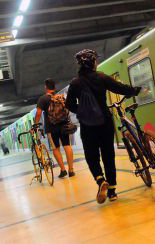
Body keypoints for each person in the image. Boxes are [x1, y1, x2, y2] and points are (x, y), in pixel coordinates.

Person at [66, 49, 141, 203]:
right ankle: (112, 192)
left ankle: (101, 181)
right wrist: (136, 90)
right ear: (93, 62)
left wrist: (82, 111)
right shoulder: (101, 77)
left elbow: (69, 105)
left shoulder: (75, 83)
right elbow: (120, 88)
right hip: (105, 121)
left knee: (91, 155)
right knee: (108, 155)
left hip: (87, 125)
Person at [34, 78, 75, 178]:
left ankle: (63, 170)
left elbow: (38, 113)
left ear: (46, 87)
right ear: (54, 87)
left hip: (51, 128)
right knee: (67, 145)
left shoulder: (43, 99)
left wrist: (35, 124)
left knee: (55, 148)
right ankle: (71, 170)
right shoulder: (60, 97)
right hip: (64, 125)